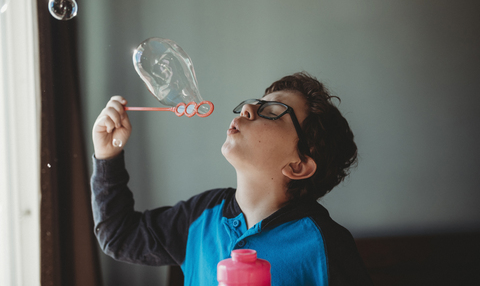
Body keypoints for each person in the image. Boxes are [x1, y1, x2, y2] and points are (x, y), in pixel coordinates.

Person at [91, 72, 373, 285]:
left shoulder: (326, 244)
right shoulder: (200, 216)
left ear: (297, 166)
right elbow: (118, 236)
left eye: (272, 113)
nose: (248, 109)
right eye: (255, 103)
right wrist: (106, 155)